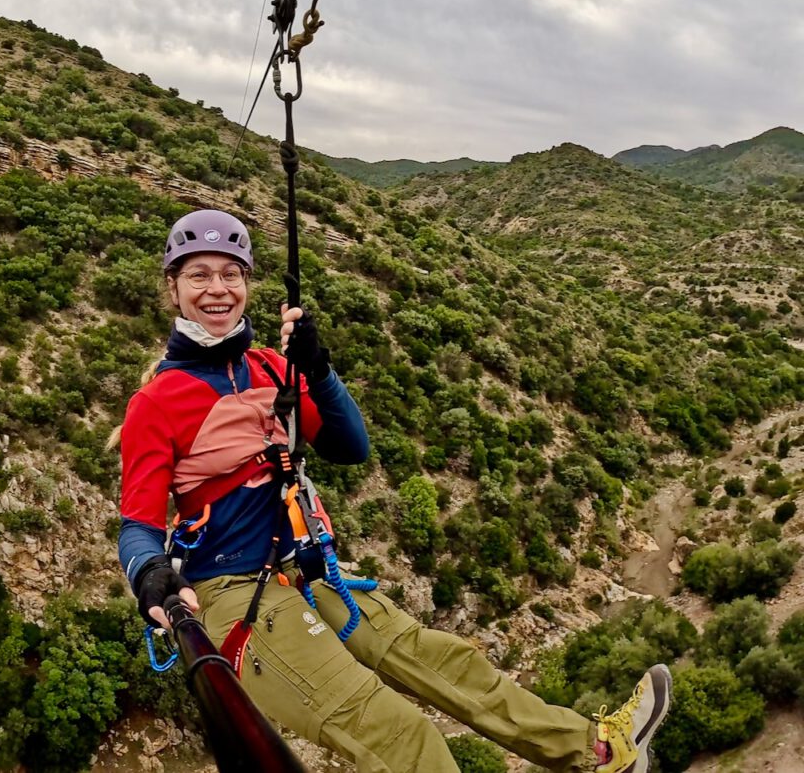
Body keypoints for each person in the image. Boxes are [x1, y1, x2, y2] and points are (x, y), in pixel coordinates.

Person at [117, 209, 671, 773]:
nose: (217, 288)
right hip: (234, 592)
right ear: (173, 288)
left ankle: (599, 752)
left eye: (230, 274)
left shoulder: (270, 368)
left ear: (246, 283)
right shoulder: (157, 402)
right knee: (399, 736)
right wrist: (151, 573)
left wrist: (317, 370)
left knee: (440, 660)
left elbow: (350, 446)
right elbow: (138, 524)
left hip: (304, 570)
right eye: (199, 275)